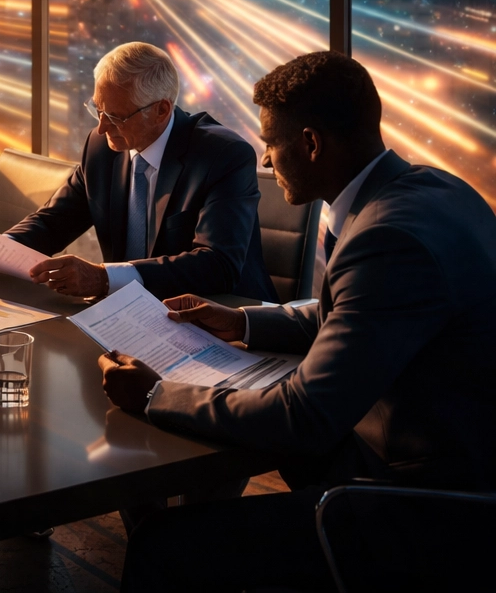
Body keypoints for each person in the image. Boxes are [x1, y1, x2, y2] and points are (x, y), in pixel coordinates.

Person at [101, 51, 496, 592]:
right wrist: (244, 322)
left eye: (272, 143)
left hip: (424, 504)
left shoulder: (386, 239)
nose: (265, 161)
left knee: (161, 546)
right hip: (436, 455)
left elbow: (306, 416)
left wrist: (156, 396)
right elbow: (360, 313)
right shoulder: (435, 191)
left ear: (311, 143)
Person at [0, 41, 274, 300]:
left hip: (221, 318)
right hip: (127, 315)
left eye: (115, 116)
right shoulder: (102, 147)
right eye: (98, 110)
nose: (100, 127)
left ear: (161, 110)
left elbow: (218, 265)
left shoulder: (223, 155)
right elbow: (56, 220)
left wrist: (104, 278)